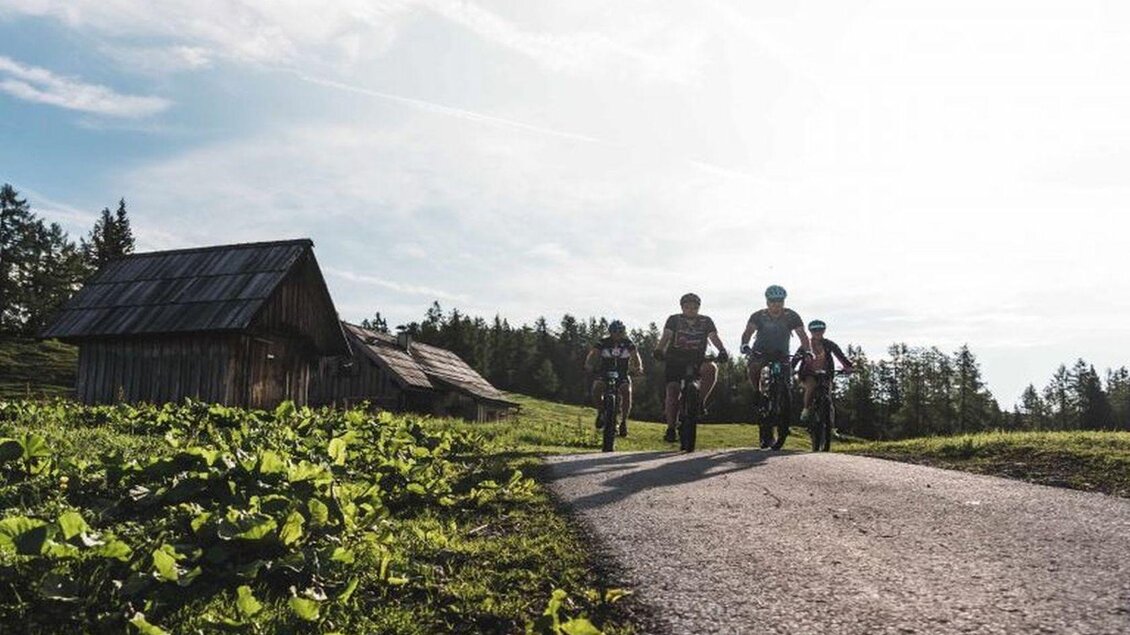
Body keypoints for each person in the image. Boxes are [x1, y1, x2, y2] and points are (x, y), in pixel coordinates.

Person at [739, 284, 811, 450]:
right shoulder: (758, 316)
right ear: (767, 302)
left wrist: (808, 351)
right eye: (773, 301)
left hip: (782, 354)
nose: (776, 304)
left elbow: (802, 335)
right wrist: (744, 345)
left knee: (785, 383)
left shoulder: (791, 316)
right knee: (754, 367)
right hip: (760, 352)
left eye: (779, 301)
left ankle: (783, 414)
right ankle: (757, 392)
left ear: (784, 301)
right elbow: (748, 333)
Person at [653, 293, 729, 442]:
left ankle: (700, 401)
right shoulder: (674, 319)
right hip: (675, 358)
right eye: (687, 307)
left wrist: (722, 350)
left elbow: (713, 337)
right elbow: (666, 336)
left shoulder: (706, 321)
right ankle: (671, 428)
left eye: (694, 307)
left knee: (711, 368)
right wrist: (659, 350)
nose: (691, 310)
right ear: (682, 307)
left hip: (697, 358)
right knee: (673, 390)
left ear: (698, 308)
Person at [584, 319, 642, 437]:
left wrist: (638, 367)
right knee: (596, 388)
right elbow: (593, 354)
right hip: (605, 371)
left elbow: (635, 356)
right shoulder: (603, 342)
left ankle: (623, 422)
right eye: (615, 332)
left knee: (626, 392)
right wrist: (589, 364)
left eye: (620, 332)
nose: (617, 334)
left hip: (622, 373)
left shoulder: (628, 343)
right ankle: (601, 411)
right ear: (610, 332)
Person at [795, 319, 853, 425]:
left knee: (828, 397)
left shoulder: (829, 344)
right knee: (811, 386)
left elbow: (840, 356)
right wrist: (791, 368)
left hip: (826, 373)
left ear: (824, 331)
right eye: (814, 331)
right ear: (810, 332)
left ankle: (831, 426)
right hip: (809, 373)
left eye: (820, 330)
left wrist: (848, 366)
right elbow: (796, 358)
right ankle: (806, 409)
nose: (817, 333)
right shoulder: (806, 345)